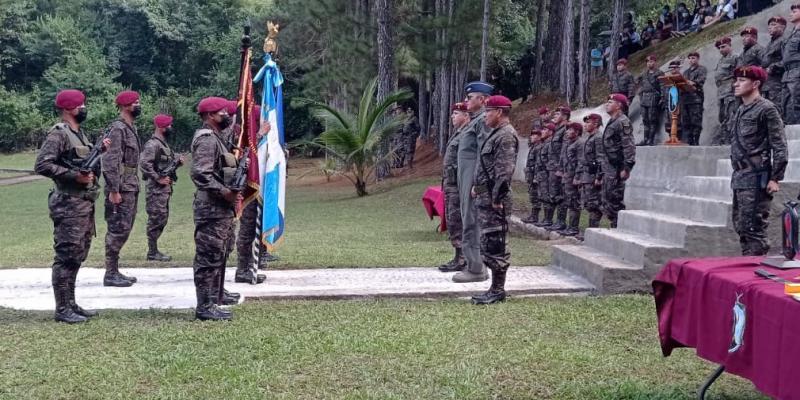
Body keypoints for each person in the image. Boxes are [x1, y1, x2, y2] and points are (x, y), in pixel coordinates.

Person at [35, 90, 110, 323]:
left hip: (83, 203)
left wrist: (100, 151)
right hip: (68, 203)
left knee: (77, 255)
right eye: (81, 105)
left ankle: (71, 303)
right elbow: (43, 164)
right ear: (68, 108)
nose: (84, 109)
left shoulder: (80, 134)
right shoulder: (59, 134)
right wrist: (73, 176)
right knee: (66, 255)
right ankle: (62, 308)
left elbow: (84, 162)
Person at [190, 96, 244, 321]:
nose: (227, 115)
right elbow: (200, 173)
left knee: (218, 253)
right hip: (211, 208)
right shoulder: (207, 140)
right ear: (210, 115)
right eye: (223, 112)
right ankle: (204, 306)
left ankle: (213, 297)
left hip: (221, 208)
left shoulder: (218, 139)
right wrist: (224, 191)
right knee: (208, 256)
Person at [729, 66, 787, 255]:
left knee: (754, 230)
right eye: (736, 79)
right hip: (740, 177)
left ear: (756, 84)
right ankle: (747, 266)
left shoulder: (767, 109)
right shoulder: (740, 110)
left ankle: (754, 270)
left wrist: (775, 177)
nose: (736, 84)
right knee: (742, 227)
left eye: (742, 80)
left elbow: (779, 145)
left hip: (756, 177)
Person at [470, 95, 518, 305]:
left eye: (488, 111)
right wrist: (477, 187)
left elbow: (504, 172)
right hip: (486, 197)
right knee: (488, 243)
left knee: (496, 244)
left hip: (494, 201)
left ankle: (498, 290)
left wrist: (497, 198)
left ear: (499, 112)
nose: (484, 116)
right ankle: (494, 288)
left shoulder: (506, 135)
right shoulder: (497, 134)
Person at [452, 81, 492, 284]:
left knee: (471, 222)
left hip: (472, 181)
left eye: (470, 97)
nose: (466, 100)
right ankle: (475, 265)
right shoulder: (476, 120)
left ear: (483, 100)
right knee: (468, 220)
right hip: (465, 180)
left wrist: (477, 182)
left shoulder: (483, 120)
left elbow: (484, 154)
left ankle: (476, 268)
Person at [101, 90, 142, 287]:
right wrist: (113, 189)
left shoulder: (129, 128)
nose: (138, 106)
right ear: (125, 106)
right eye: (135, 103)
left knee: (124, 228)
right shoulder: (118, 129)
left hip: (130, 184)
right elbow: (111, 160)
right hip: (121, 187)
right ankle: (110, 273)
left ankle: (114, 270)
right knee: (118, 228)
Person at [139, 114, 183, 262]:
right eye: (168, 126)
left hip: (163, 190)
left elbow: (164, 164)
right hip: (155, 189)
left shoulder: (163, 144)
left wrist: (177, 163)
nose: (170, 128)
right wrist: (158, 178)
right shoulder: (153, 144)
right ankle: (152, 251)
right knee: (156, 219)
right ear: (160, 127)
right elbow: (145, 165)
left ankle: (154, 250)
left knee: (161, 219)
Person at [234, 105, 270, 285]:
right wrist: (260, 134)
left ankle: (249, 264)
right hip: (246, 188)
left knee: (253, 227)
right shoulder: (240, 134)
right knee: (247, 230)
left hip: (255, 187)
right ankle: (242, 269)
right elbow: (245, 153)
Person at [439, 102, 470, 273]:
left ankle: (463, 258)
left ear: (466, 116)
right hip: (451, 184)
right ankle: (459, 256)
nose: (452, 116)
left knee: (457, 221)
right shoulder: (459, 133)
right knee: (453, 221)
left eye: (456, 113)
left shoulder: (467, 134)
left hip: (458, 186)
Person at [597, 94, 635, 228]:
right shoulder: (612, 121)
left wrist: (627, 167)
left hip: (617, 167)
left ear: (619, 105)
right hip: (609, 166)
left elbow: (628, 145)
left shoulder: (622, 121)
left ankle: (619, 227)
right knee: (607, 199)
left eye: (611, 101)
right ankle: (614, 225)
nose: (607, 104)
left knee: (615, 199)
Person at [575, 114, 603, 240]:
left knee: (594, 206)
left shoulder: (598, 138)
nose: (585, 125)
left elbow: (601, 159)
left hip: (593, 177)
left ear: (596, 124)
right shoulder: (590, 138)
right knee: (588, 204)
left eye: (588, 122)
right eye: (585, 123)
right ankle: (590, 232)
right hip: (587, 176)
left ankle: (593, 234)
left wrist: (599, 177)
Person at [543, 106, 571, 232]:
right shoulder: (558, 130)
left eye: (557, 113)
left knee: (560, 195)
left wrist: (561, 168)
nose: (554, 116)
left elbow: (565, 151)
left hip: (560, 168)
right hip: (553, 167)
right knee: (554, 194)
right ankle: (552, 220)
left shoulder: (566, 129)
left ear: (564, 116)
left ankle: (561, 221)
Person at [712, 36, 739, 146]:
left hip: (730, 92)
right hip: (721, 92)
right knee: (722, 117)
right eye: (719, 48)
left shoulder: (735, 57)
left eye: (723, 47)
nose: (721, 49)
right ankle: (725, 140)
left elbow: (738, 74)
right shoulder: (721, 60)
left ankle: (733, 141)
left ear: (730, 46)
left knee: (731, 116)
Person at [558, 122, 583, 237]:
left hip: (573, 177)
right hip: (567, 176)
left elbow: (581, 161)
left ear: (577, 132)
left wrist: (577, 177)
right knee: (568, 201)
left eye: (570, 130)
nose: (567, 132)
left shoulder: (579, 144)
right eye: (567, 130)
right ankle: (569, 226)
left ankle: (573, 228)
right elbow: (564, 159)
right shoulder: (568, 143)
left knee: (574, 202)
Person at [637, 54, 664, 146]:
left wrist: (662, 97)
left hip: (654, 98)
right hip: (645, 98)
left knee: (652, 119)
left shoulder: (659, 73)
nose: (649, 63)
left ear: (655, 62)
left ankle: (651, 139)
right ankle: (645, 139)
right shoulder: (644, 74)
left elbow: (662, 86)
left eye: (651, 61)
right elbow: (637, 82)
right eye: (648, 62)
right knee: (645, 120)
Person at [681, 52, 708, 145]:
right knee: (686, 121)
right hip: (685, 99)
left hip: (696, 99)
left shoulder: (701, 69)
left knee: (696, 121)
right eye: (690, 58)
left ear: (697, 59)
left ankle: (696, 140)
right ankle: (689, 140)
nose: (691, 60)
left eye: (693, 58)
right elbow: (681, 83)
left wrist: (691, 82)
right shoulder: (685, 72)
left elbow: (701, 80)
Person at [765, 16, 788, 115]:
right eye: (769, 25)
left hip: (777, 83)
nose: (770, 27)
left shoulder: (784, 41)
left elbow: (786, 60)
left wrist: (773, 67)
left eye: (774, 25)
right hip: (766, 84)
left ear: (782, 27)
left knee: (777, 112)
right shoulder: (769, 44)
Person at [782, 4, 800, 124]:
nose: (791, 14)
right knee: (787, 104)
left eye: (794, 11)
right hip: (787, 74)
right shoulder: (791, 33)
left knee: (797, 103)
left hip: (797, 72)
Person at [535, 123, 555, 228]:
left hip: (547, 174)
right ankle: (545, 219)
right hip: (542, 173)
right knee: (543, 196)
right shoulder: (544, 144)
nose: (542, 132)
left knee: (547, 196)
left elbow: (551, 160)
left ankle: (548, 219)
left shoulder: (550, 144)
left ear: (551, 132)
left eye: (545, 130)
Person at [523, 129, 543, 224]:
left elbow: (538, 164)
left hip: (535, 176)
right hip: (530, 175)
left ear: (539, 137)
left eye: (534, 135)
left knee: (535, 196)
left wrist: (536, 176)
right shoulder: (534, 147)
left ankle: (535, 216)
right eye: (532, 135)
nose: (532, 137)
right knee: (532, 195)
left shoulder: (539, 148)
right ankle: (533, 215)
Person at [664, 60, 684, 138]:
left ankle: (678, 138)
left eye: (675, 68)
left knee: (679, 121)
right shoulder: (667, 79)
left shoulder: (681, 78)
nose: (673, 69)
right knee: (668, 122)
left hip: (679, 103)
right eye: (671, 68)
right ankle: (671, 137)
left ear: (678, 68)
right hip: (669, 104)